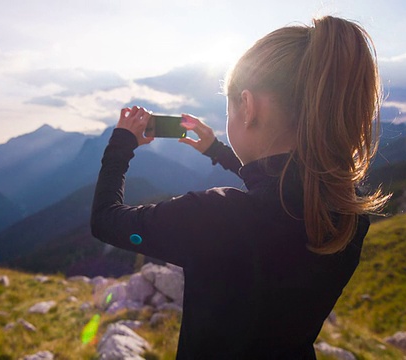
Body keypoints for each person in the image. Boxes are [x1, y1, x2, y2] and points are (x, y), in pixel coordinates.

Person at [91, 15, 389, 359]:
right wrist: (218, 152)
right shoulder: (347, 215)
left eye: (230, 107)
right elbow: (280, 194)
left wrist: (121, 144)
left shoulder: (217, 218)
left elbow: (104, 219)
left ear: (248, 107)